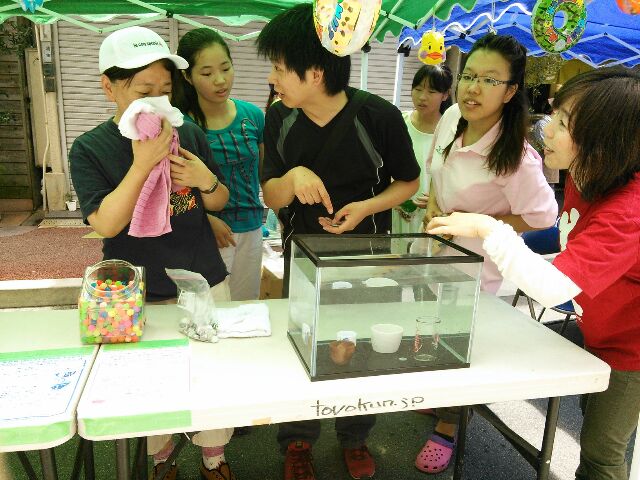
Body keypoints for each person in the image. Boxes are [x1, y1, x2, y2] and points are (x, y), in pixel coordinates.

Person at [427, 67, 640, 480]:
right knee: (594, 423)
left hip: (631, 349)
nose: (546, 129)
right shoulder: (587, 175)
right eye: (554, 114)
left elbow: (554, 288)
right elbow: (565, 244)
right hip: (597, 329)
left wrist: (489, 228)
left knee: (601, 455)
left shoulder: (627, 211)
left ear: (604, 141)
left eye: (563, 123)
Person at [256, 4, 421, 480]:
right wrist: (293, 177)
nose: (272, 78)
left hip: (369, 258)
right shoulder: (279, 118)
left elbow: (408, 182)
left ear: (315, 72)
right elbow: (270, 194)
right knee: (303, 345)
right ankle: (298, 440)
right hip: (303, 259)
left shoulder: (379, 116)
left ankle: (355, 436)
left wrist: (366, 207)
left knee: (359, 346)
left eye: (279, 68)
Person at [69, 26, 235, 480]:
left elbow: (218, 200)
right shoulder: (91, 147)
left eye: (165, 90)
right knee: (146, 388)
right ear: (109, 88)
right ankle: (162, 459)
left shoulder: (189, 132)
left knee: (209, 376)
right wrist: (142, 164)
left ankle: (214, 457)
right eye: (144, 92)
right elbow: (105, 223)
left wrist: (205, 180)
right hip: (134, 292)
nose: (157, 102)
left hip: (201, 279)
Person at [417, 33, 558, 474]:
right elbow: (436, 171)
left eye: (490, 80)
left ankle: (448, 425)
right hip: (433, 252)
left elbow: (542, 217)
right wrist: (436, 206)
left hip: (477, 268)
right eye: (469, 76)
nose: (473, 88)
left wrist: (480, 222)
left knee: (461, 343)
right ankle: (441, 397)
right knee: (431, 332)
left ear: (511, 91)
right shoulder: (451, 117)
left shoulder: (517, 156)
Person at [173, 28, 265, 301]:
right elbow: (171, 190)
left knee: (246, 307)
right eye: (207, 73)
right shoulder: (180, 126)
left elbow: (265, 174)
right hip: (207, 235)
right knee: (209, 311)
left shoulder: (253, 116)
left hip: (252, 228)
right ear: (187, 77)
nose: (220, 80)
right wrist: (203, 220)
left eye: (226, 68)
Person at [392, 64, 452, 234]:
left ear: (445, 95)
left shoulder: (451, 132)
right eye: (418, 89)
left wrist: (436, 199)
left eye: (431, 92)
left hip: (431, 216)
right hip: (394, 209)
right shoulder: (398, 123)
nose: (422, 97)